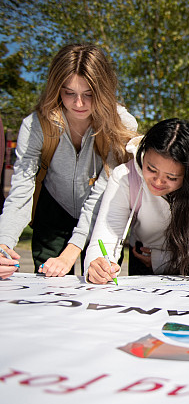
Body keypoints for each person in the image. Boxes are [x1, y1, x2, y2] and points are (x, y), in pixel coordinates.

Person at [0, 44, 138, 278]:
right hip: (52, 210)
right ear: (56, 89)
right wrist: (3, 245)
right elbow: (22, 189)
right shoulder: (35, 125)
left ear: (103, 91)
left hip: (100, 213)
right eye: (69, 93)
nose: (79, 104)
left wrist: (71, 252)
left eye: (89, 94)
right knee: (46, 283)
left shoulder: (122, 125)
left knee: (98, 280)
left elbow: (103, 191)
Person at [85, 118, 189, 283]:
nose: (158, 182)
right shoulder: (124, 177)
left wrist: (164, 258)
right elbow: (107, 234)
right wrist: (97, 265)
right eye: (151, 169)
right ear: (143, 152)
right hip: (144, 258)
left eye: (171, 177)